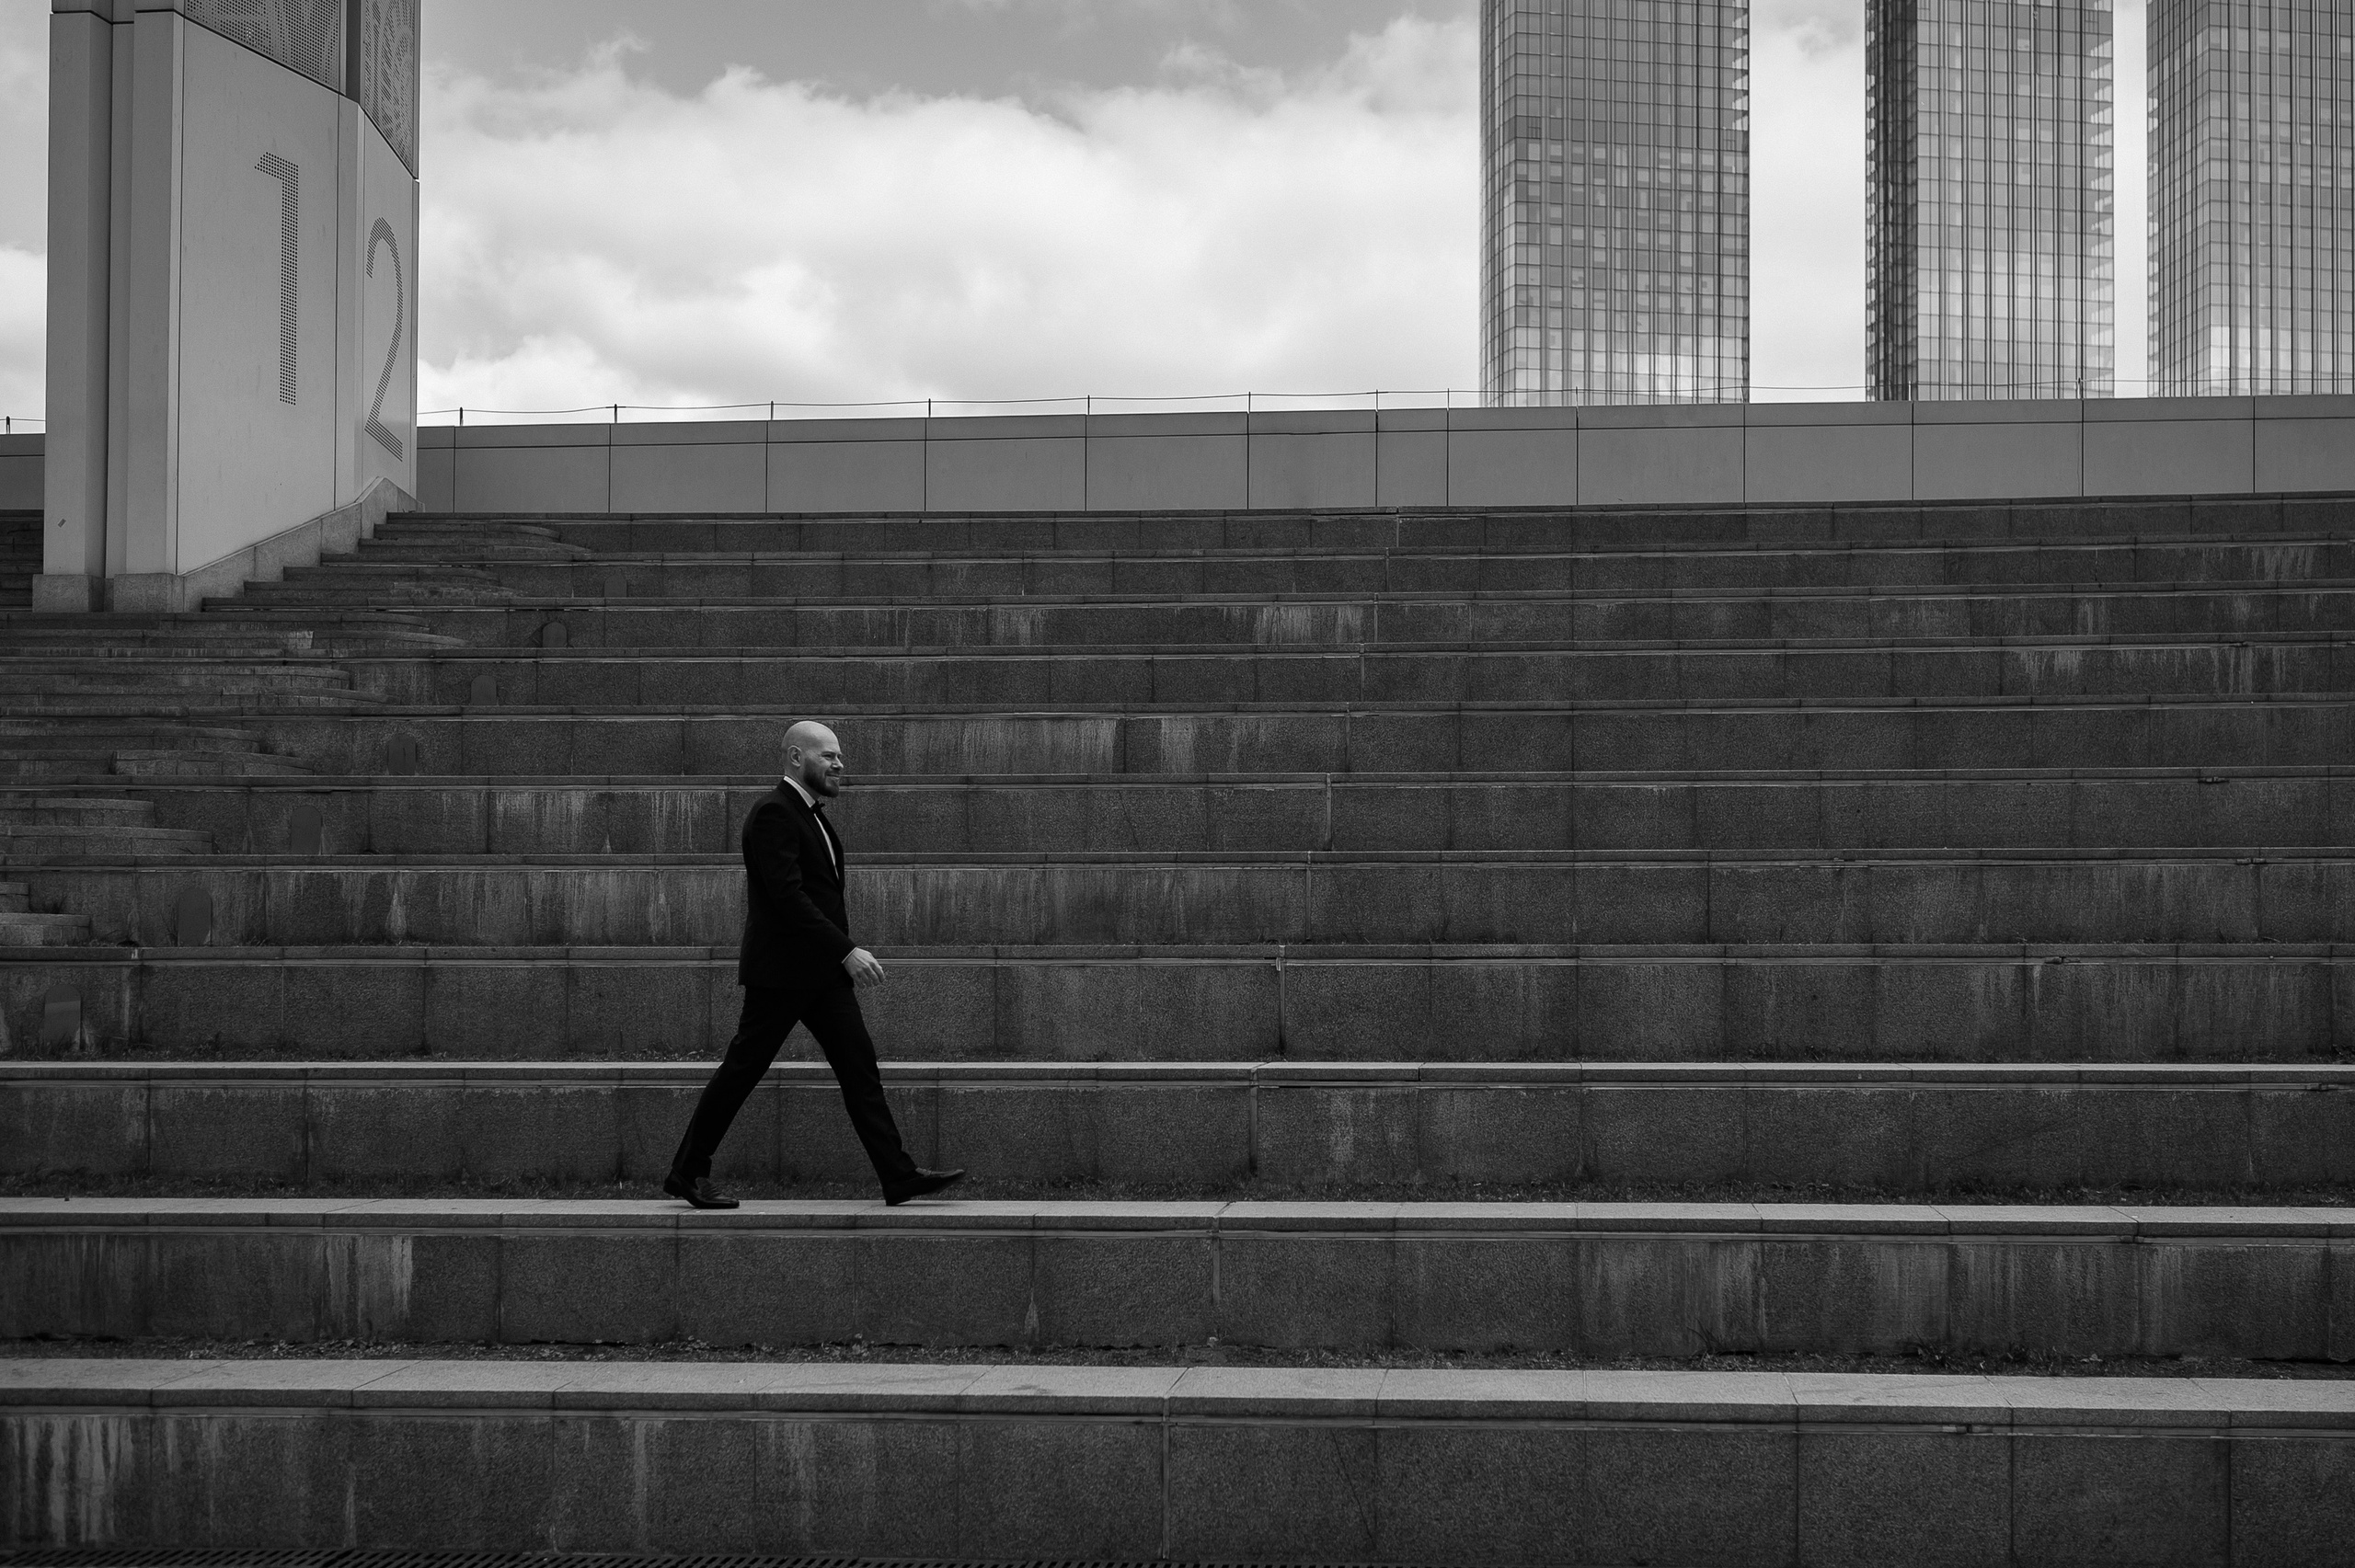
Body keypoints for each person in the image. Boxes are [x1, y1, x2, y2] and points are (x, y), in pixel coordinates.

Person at [664, 719, 965, 1208]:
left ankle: (898, 1175)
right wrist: (845, 950)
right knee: (741, 1071)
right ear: (795, 758)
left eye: (839, 755)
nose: (840, 764)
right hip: (782, 976)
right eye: (828, 756)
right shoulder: (773, 814)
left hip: (820, 976)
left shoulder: (811, 815)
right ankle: (687, 1172)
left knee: (859, 1070)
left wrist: (835, 957)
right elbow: (788, 898)